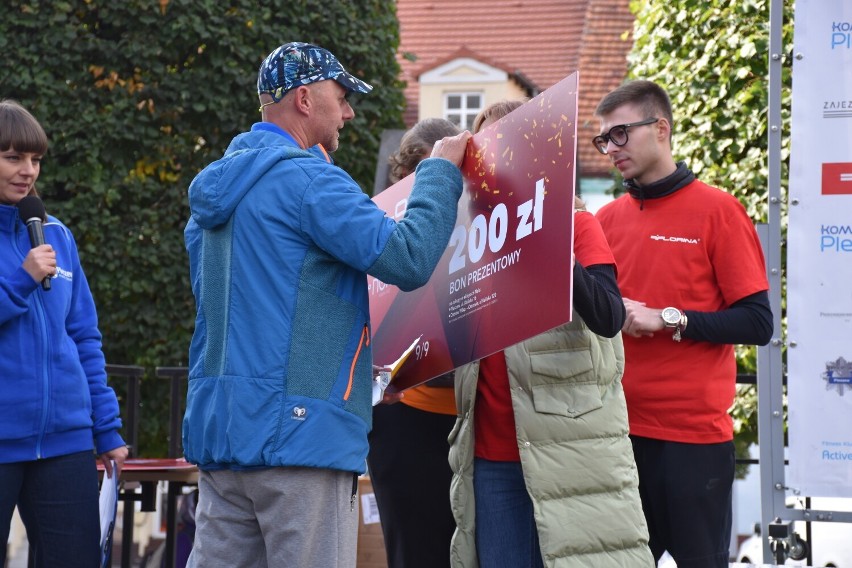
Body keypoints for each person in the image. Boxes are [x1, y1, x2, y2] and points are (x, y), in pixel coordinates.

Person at [181, 42, 471, 568]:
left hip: (220, 435)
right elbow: (408, 259)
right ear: (306, 99)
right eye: (342, 97)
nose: (350, 112)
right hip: (300, 439)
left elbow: (263, 310)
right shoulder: (309, 180)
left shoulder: (214, 193)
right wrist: (438, 173)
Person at [448, 99, 654, 568]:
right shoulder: (465, 241)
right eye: (484, 150)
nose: (496, 160)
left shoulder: (577, 224)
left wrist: (545, 240)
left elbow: (606, 316)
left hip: (569, 448)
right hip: (492, 455)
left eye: (510, 146)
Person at [593, 80, 773, 568]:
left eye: (621, 134)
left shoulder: (719, 211)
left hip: (694, 442)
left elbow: (758, 323)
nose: (611, 149)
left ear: (662, 129)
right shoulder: (604, 220)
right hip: (617, 436)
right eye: (603, 139)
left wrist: (668, 318)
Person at [0, 99, 128, 567]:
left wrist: (106, 426)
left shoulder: (57, 235)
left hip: (66, 443)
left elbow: (84, 338)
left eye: (35, 159)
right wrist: (21, 279)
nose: (27, 170)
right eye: (13, 157)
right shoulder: (34, 259)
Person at [367, 118, 461, 568]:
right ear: (404, 179)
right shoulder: (382, 227)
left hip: (473, 424)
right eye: (427, 176)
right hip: (404, 419)